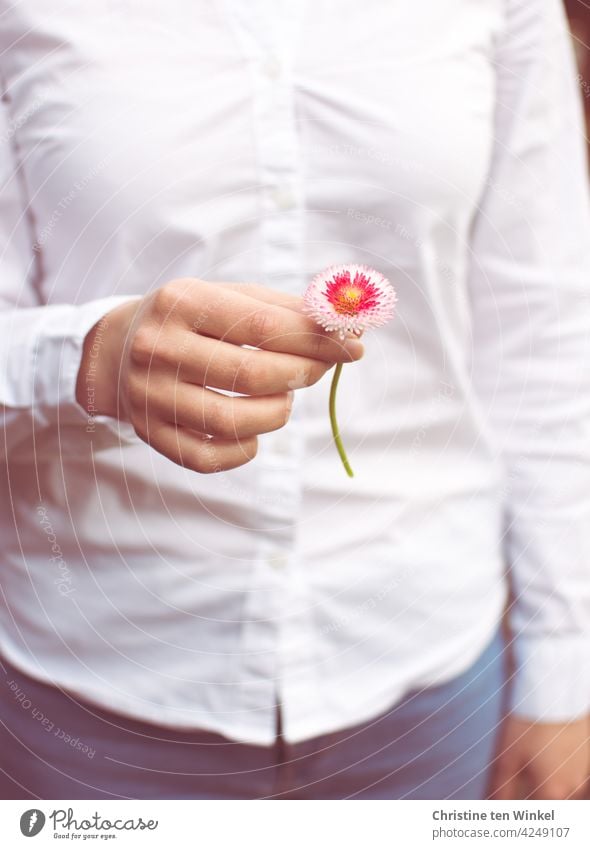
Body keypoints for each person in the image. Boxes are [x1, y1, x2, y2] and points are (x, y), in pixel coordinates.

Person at [1, 0, 589, 801]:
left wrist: (564, 670)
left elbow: (544, 328)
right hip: (97, 689)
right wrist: (81, 359)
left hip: (427, 678)